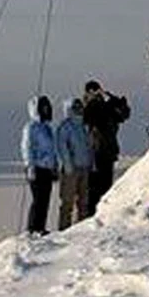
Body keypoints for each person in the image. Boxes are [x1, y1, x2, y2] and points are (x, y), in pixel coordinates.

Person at [82, 80, 130, 215]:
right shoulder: (89, 107)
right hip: (95, 154)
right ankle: (91, 216)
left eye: (97, 90)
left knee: (106, 188)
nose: (96, 93)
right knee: (94, 190)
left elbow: (124, 114)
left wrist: (112, 98)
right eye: (92, 91)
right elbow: (91, 116)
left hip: (108, 152)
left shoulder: (106, 107)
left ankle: (102, 215)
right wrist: (102, 100)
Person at [20, 95, 58, 235]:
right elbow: (27, 147)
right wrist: (30, 166)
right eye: (43, 107)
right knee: (38, 199)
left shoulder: (47, 127)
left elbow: (52, 149)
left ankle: (40, 227)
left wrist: (54, 166)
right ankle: (32, 228)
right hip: (36, 168)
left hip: (47, 168)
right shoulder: (31, 127)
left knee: (45, 199)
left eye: (47, 107)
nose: (46, 109)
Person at [56, 97, 91, 230]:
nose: (79, 110)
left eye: (80, 107)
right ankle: (64, 228)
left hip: (84, 168)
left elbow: (87, 146)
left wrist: (90, 163)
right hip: (71, 170)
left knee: (83, 202)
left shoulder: (82, 126)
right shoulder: (65, 127)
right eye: (76, 108)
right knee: (67, 202)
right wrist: (68, 165)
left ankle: (81, 228)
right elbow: (62, 147)